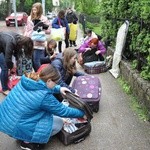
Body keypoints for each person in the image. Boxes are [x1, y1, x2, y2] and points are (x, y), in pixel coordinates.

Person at [0, 64, 85, 150]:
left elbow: (43, 86)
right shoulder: (44, 96)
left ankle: (21, 136)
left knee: (40, 113)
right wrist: (82, 113)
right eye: (55, 83)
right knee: (59, 123)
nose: (56, 85)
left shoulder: (28, 79)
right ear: (48, 80)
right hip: (16, 126)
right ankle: (28, 143)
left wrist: (59, 88)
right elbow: (63, 111)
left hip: (5, 121)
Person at [0, 31, 33, 95]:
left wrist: (17, 62)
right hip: (1, 48)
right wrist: (11, 67)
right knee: (5, 67)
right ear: (24, 45)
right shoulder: (11, 42)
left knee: (7, 65)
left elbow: (16, 53)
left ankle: (5, 78)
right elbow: (8, 59)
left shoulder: (19, 39)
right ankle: (4, 89)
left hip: (3, 45)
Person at [24, 2, 51, 72]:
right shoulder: (29, 18)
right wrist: (25, 37)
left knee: (37, 62)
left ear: (39, 10)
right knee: (32, 62)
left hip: (39, 44)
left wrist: (40, 29)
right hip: (30, 43)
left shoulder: (44, 19)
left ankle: (42, 77)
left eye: (35, 10)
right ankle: (38, 76)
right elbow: (27, 29)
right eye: (33, 10)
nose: (33, 11)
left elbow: (49, 30)